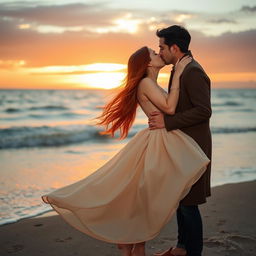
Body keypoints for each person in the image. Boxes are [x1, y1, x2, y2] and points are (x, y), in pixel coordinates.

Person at [42, 46, 210, 256]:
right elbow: (169, 108)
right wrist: (178, 75)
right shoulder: (147, 83)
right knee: (146, 199)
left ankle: (136, 245)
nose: (158, 54)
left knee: (145, 199)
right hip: (160, 144)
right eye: (154, 53)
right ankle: (132, 242)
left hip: (161, 141)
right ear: (147, 63)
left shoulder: (149, 83)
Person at [148, 26, 212, 256]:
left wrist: (168, 122)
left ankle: (193, 251)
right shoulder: (179, 68)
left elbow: (204, 111)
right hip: (182, 146)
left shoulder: (192, 71)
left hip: (193, 146)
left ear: (174, 47)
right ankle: (182, 247)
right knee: (181, 198)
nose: (160, 52)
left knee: (188, 203)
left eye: (162, 47)